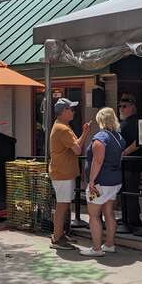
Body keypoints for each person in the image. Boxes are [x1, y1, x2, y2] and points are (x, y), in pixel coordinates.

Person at [81, 107, 127, 257]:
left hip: (100, 183)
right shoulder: (119, 138)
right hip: (114, 181)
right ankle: (109, 244)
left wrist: (92, 181)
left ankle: (96, 248)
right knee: (109, 213)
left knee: (94, 215)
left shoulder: (101, 137)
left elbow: (98, 160)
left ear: (100, 120)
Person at [49, 98, 91, 250]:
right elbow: (78, 150)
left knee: (64, 205)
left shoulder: (62, 126)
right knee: (62, 206)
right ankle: (57, 238)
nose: (73, 111)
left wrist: (85, 132)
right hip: (63, 174)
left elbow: (76, 147)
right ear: (64, 111)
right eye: (71, 109)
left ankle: (59, 234)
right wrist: (85, 133)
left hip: (63, 173)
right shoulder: (63, 129)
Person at [118, 94, 142, 236]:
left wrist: (124, 152)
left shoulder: (135, 122)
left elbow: (139, 141)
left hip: (132, 164)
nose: (121, 109)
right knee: (125, 193)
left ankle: (133, 222)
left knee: (131, 193)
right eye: (120, 106)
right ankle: (126, 220)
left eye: (124, 106)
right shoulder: (124, 122)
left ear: (132, 107)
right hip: (124, 164)